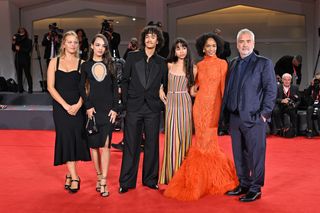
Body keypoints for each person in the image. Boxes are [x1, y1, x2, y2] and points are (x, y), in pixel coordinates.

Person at [163, 33, 238, 201]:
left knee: (210, 144)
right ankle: (201, 181)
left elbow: (224, 90)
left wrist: (224, 112)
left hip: (214, 108)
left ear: (217, 47)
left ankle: (212, 180)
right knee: (201, 144)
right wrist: (189, 91)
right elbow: (193, 88)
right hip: (199, 108)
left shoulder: (222, 64)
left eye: (214, 46)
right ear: (202, 48)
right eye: (208, 46)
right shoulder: (198, 66)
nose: (211, 49)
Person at [223, 29, 277, 202]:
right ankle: (244, 183)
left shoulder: (264, 63)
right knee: (239, 154)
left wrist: (264, 114)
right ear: (237, 44)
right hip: (235, 117)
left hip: (254, 117)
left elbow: (270, 90)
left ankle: (255, 188)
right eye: (241, 41)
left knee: (256, 155)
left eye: (248, 41)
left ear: (253, 44)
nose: (244, 44)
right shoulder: (232, 63)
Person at [119, 25, 168, 193]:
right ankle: (126, 182)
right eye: (147, 36)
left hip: (153, 108)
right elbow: (124, 81)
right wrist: (126, 101)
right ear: (143, 39)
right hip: (134, 106)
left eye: (153, 37)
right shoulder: (132, 57)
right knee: (131, 145)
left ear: (158, 40)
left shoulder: (162, 62)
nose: (149, 39)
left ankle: (150, 180)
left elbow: (164, 85)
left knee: (152, 145)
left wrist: (161, 101)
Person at [47, 31, 91, 193]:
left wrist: (79, 105)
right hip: (60, 107)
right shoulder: (54, 62)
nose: (72, 45)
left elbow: (87, 87)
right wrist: (66, 106)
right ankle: (74, 176)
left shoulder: (83, 63)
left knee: (75, 139)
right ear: (63, 44)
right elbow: (50, 87)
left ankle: (69, 172)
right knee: (65, 138)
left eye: (75, 42)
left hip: (78, 107)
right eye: (69, 42)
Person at [79, 34, 118, 197]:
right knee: (94, 146)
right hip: (93, 111)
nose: (101, 48)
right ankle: (99, 176)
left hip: (108, 110)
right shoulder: (86, 65)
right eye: (98, 45)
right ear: (92, 46)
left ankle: (103, 182)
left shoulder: (111, 65)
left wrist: (115, 108)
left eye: (103, 45)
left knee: (106, 146)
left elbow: (116, 88)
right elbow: (81, 87)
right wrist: (87, 106)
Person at [158, 38, 195, 184]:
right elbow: (161, 81)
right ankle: (171, 176)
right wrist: (160, 89)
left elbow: (192, 92)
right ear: (174, 51)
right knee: (172, 139)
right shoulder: (168, 65)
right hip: (171, 103)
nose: (181, 51)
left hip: (185, 104)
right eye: (178, 48)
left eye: (184, 48)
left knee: (185, 139)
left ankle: (184, 176)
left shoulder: (193, 68)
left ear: (187, 49)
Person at [11, 27, 33, 93]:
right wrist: (13, 43)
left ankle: (30, 89)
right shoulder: (17, 40)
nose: (21, 32)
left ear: (25, 32)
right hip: (18, 59)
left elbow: (28, 50)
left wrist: (20, 49)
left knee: (27, 74)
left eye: (22, 31)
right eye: (19, 31)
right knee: (19, 74)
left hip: (25, 59)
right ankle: (20, 89)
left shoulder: (29, 40)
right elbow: (13, 49)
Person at [304, 72, 320, 138]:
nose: (317, 81)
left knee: (317, 111)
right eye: (316, 79)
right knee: (310, 109)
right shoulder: (313, 86)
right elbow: (306, 93)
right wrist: (311, 85)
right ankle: (310, 130)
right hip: (313, 105)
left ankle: (318, 131)